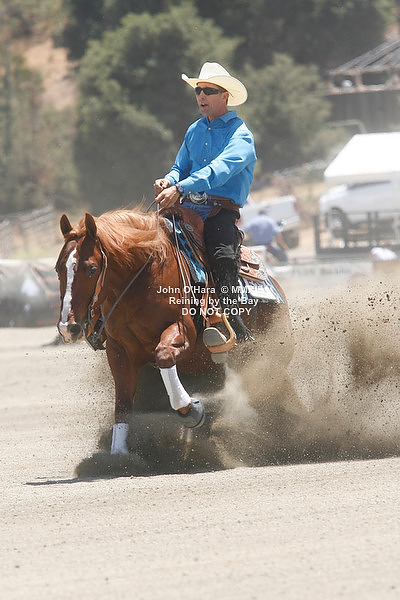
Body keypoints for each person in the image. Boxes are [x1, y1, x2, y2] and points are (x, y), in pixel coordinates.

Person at [154, 62, 257, 346]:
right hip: (187, 209)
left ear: (224, 96)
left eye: (208, 90)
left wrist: (180, 187)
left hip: (218, 212)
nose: (201, 95)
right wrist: (168, 180)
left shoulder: (241, 135)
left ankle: (235, 324)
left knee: (222, 256)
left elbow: (220, 170)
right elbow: (180, 167)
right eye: (198, 90)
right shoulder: (194, 130)